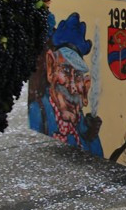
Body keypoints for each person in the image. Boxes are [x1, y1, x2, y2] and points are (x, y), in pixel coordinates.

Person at [28, 13, 102, 156]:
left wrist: (91, 137)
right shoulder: (38, 113)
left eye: (78, 76)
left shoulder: (84, 126)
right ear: (50, 67)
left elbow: (99, 158)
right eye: (66, 71)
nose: (73, 87)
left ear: (85, 85)